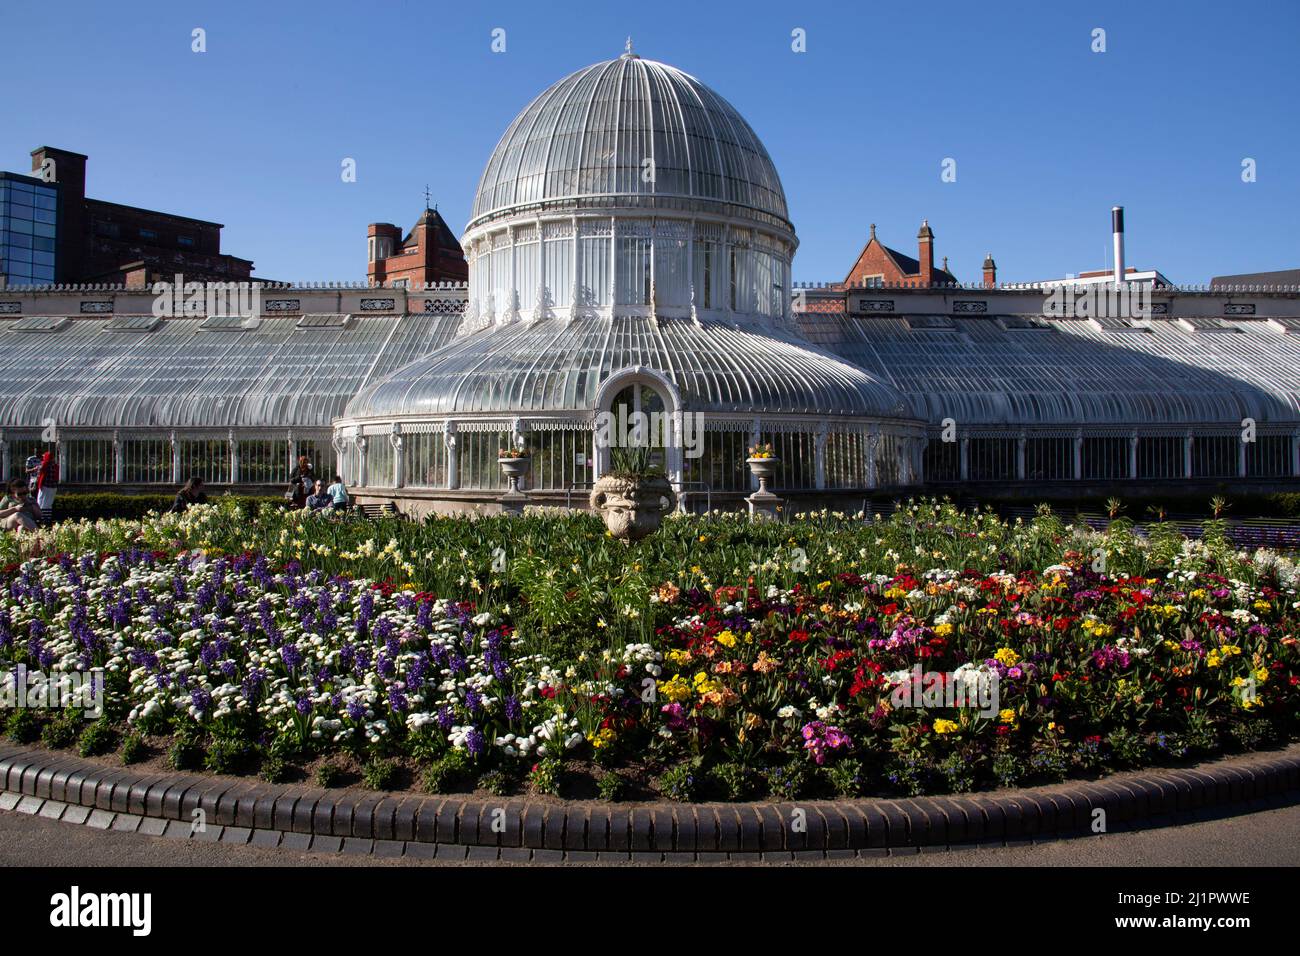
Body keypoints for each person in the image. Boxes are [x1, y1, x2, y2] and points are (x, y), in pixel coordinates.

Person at [34, 451, 58, 521]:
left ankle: (41, 518)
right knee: (49, 503)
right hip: (53, 487)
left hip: (45, 486)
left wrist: (36, 468)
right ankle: (47, 518)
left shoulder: (44, 464)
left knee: (41, 502)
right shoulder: (55, 465)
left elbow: (39, 472)